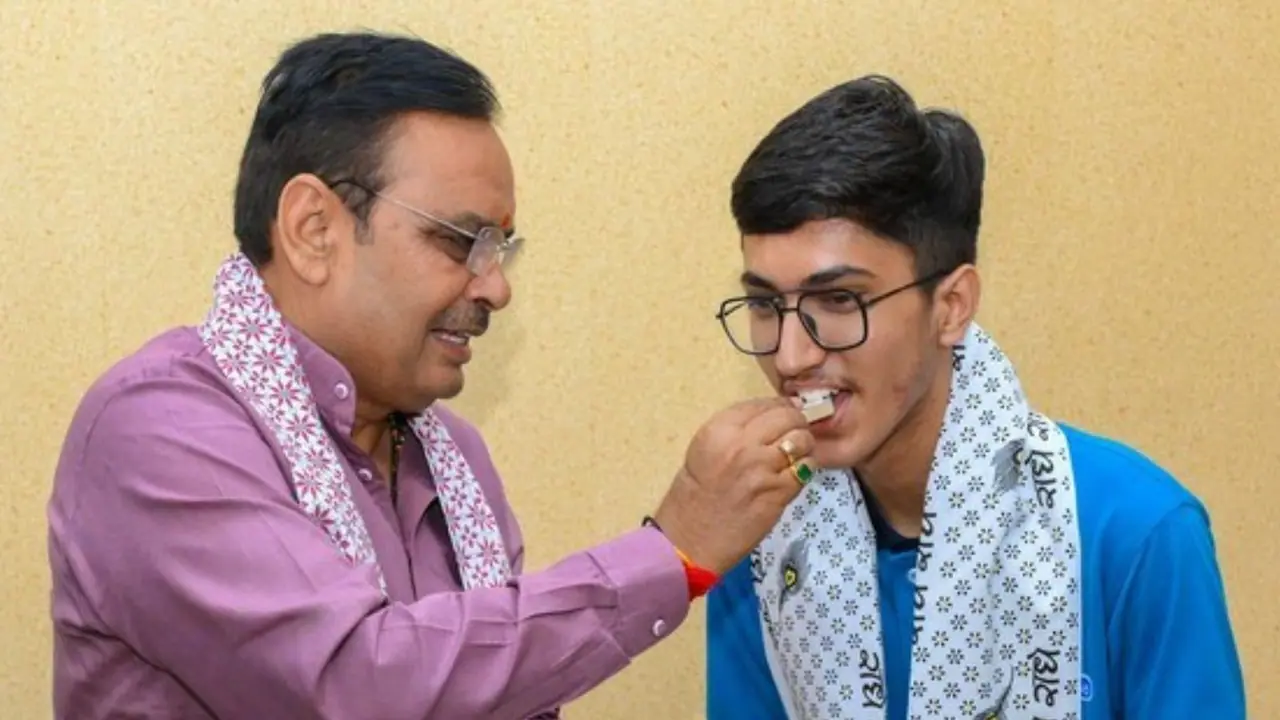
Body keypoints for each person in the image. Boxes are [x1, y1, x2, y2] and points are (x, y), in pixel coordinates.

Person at [45, 31, 818, 719]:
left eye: (501, 249)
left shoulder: (453, 462)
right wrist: (669, 554)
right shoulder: (159, 429)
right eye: (461, 242)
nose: (495, 287)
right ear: (314, 230)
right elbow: (357, 686)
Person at [704, 75, 1246, 719]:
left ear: (952, 306)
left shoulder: (1135, 533)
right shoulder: (762, 542)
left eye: (840, 300)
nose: (792, 357)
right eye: (766, 304)